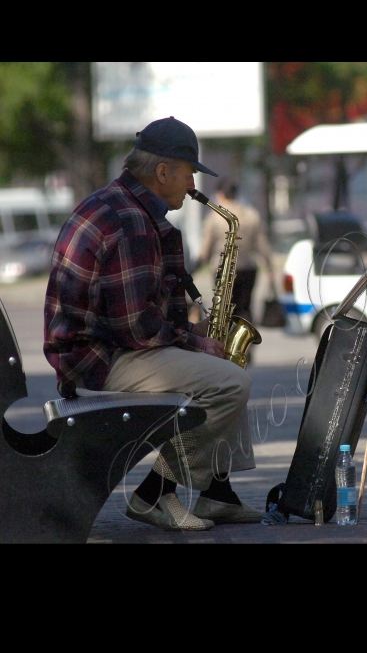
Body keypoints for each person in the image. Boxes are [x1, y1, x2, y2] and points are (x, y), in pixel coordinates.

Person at [44, 116, 264, 532]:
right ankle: (154, 494)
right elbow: (137, 329)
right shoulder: (129, 220)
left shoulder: (123, 205)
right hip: (99, 360)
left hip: (102, 347)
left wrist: (193, 333)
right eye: (188, 173)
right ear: (162, 172)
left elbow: (138, 314)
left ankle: (216, 493)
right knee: (229, 382)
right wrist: (194, 344)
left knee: (226, 368)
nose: (193, 184)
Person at [197, 177, 275, 326]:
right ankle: (245, 346)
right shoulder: (252, 214)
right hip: (248, 268)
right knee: (245, 308)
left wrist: (197, 265)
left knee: (223, 310)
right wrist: (270, 267)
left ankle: (226, 344)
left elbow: (205, 249)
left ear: (220, 194)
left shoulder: (214, 217)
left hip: (222, 269)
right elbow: (262, 245)